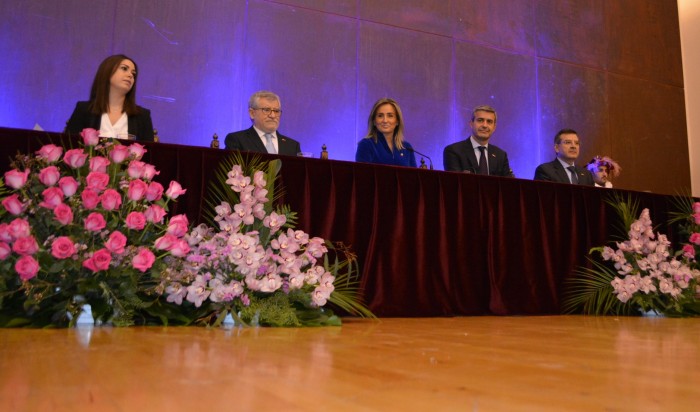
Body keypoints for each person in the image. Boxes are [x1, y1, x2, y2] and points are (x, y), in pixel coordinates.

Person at [66, 54, 154, 141]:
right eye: (124, 69)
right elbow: (69, 146)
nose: (130, 75)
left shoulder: (142, 116)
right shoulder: (84, 110)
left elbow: (150, 153)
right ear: (107, 71)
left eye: (133, 74)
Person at [443, 105, 514, 176]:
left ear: (494, 127)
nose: (485, 125)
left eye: (489, 122)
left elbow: (509, 184)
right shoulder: (454, 151)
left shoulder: (500, 155)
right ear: (471, 124)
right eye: (480, 120)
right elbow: (455, 182)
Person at [224, 91, 301, 156]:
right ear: (252, 113)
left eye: (276, 111)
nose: (273, 115)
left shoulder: (293, 146)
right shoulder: (237, 140)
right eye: (267, 110)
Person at [355, 98, 417, 167]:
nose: (385, 120)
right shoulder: (366, 145)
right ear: (374, 121)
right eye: (380, 116)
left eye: (390, 116)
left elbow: (413, 177)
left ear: (397, 121)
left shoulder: (407, 147)